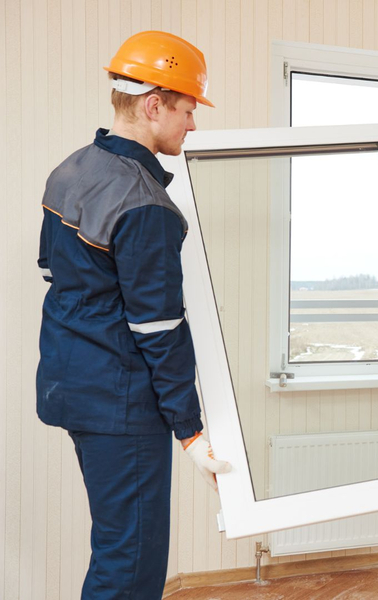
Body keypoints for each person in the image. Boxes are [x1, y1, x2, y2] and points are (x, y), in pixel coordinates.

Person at [36, 31, 231, 600]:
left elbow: (55, 270)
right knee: (132, 563)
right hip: (121, 404)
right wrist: (190, 430)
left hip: (72, 388)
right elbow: (158, 328)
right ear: (154, 105)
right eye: (188, 110)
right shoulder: (144, 202)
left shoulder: (71, 170)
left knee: (116, 545)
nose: (192, 124)